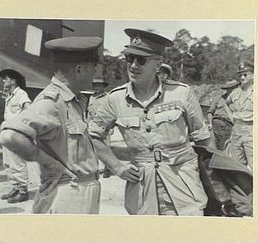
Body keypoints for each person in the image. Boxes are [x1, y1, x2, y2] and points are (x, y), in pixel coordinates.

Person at [89, 29, 212, 216]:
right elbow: (94, 135)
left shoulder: (181, 93)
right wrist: (117, 167)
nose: (133, 65)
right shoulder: (116, 99)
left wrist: (214, 184)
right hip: (141, 188)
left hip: (183, 185)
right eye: (130, 58)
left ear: (158, 64)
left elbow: (204, 141)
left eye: (141, 60)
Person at [0, 36, 102, 214]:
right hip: (67, 193)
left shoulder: (71, 99)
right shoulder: (52, 102)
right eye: (94, 67)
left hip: (79, 191)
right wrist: (51, 164)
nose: (95, 72)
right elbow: (9, 135)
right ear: (79, 69)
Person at [0, 69, 31, 203]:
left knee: (17, 162)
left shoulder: (21, 94)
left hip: (15, 133)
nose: (3, 81)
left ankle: (23, 191)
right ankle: (16, 187)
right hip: (7, 132)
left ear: (13, 81)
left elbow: (28, 109)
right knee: (8, 163)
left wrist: (21, 126)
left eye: (5, 79)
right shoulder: (10, 95)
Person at [226, 61, 253, 170]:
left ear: (254, 75)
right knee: (237, 166)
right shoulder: (235, 92)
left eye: (245, 75)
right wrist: (231, 117)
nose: (242, 77)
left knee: (253, 163)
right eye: (240, 75)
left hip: (251, 130)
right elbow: (226, 104)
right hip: (236, 130)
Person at [87, 78, 113, 177]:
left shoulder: (108, 97)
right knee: (93, 148)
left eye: (98, 86)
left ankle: (108, 169)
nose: (96, 88)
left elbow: (111, 113)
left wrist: (111, 127)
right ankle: (95, 169)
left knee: (106, 149)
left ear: (103, 87)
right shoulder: (92, 97)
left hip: (104, 126)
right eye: (95, 86)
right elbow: (89, 112)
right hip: (92, 126)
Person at [207, 79, 239, 150]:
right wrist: (210, 124)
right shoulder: (218, 98)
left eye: (234, 88)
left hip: (227, 125)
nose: (232, 90)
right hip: (215, 123)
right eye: (230, 88)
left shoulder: (237, 100)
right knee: (214, 146)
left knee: (224, 146)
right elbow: (210, 112)